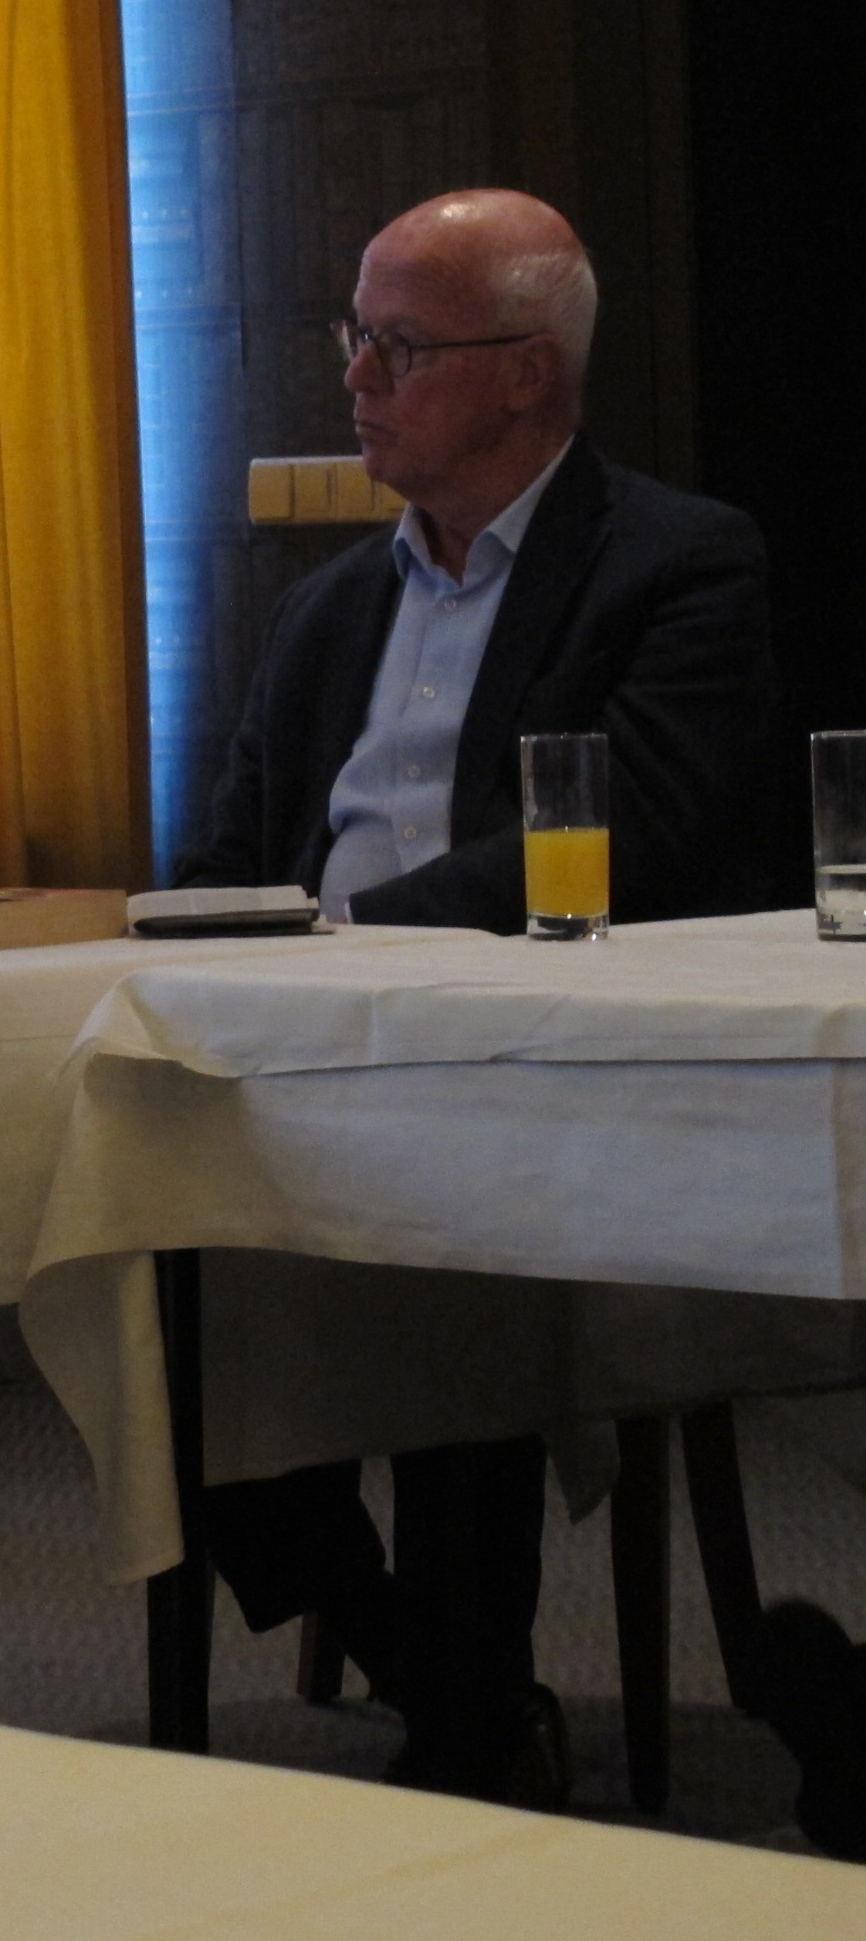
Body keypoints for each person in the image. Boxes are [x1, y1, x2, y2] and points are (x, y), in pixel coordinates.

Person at [175, 189, 779, 1802]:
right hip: (298, 1059)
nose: (356, 377)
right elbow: (228, 855)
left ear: (524, 372)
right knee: (112, 1266)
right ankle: (424, 1663)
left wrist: (352, 936)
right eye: (353, 338)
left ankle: (465, 1718)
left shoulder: (677, 563)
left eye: (399, 345)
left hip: (538, 1067)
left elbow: (634, 835)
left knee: (447, 1242)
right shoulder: (329, 608)